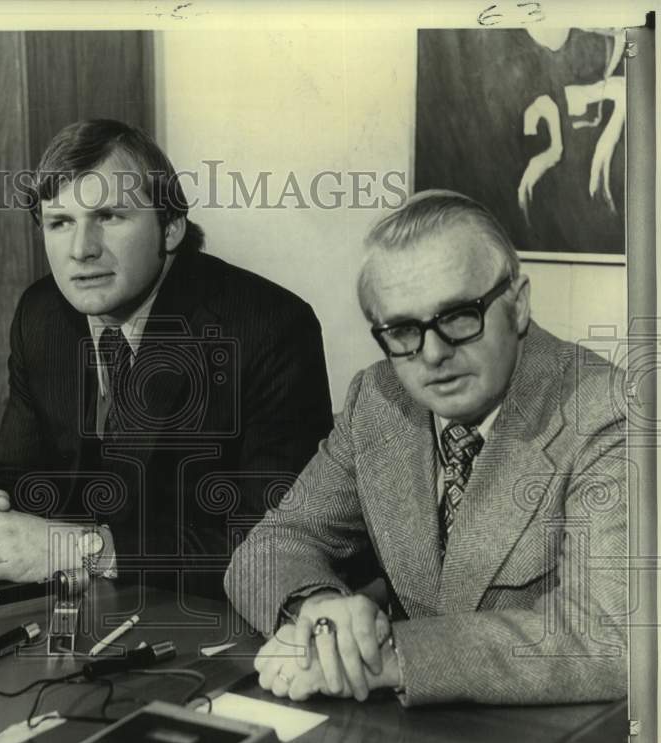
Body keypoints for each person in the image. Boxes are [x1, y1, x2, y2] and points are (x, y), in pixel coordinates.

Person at [226, 190, 627, 706]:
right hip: (411, 734)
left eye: (460, 316)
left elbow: (613, 633)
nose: (433, 353)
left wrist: (391, 653)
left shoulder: (609, 412)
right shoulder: (379, 398)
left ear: (519, 303)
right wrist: (321, 612)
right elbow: (269, 547)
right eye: (404, 330)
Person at [0, 119, 332, 597]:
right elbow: (16, 475)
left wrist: (75, 548)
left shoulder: (268, 327)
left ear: (171, 227)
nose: (82, 250)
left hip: (209, 623)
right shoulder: (41, 315)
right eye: (60, 223)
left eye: (110, 218)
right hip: (73, 611)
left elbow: (277, 542)